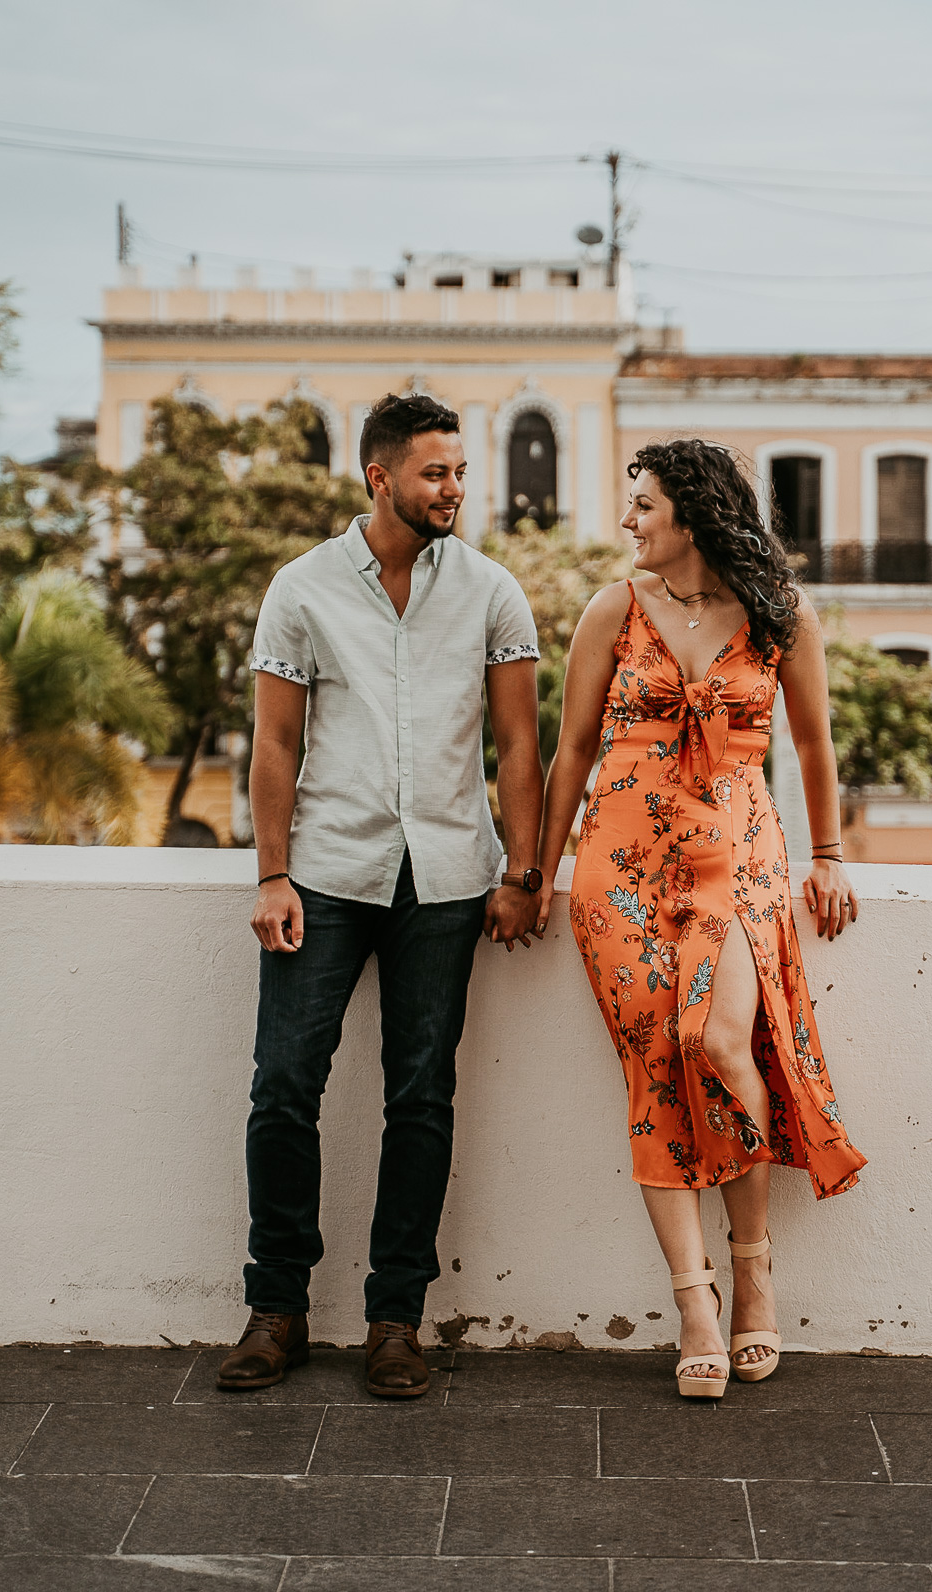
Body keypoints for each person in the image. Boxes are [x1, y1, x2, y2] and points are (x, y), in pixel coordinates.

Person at [217, 392, 545, 1398]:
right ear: (380, 476)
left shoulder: (492, 592)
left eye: (459, 473)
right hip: (324, 873)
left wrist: (524, 873)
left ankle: (395, 1321)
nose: (454, 490)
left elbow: (520, 747)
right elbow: (274, 744)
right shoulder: (303, 590)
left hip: (446, 881)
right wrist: (271, 872)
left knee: (422, 1096)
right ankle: (276, 1310)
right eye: (435, 473)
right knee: (282, 1087)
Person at [534, 439, 866, 1399]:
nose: (628, 521)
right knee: (651, 1067)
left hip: (736, 858)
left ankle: (753, 1268)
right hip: (620, 872)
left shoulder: (777, 614)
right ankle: (696, 1307)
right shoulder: (612, 609)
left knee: (722, 1043)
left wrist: (830, 855)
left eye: (642, 504)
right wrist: (535, 871)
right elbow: (569, 754)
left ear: (693, 514)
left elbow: (813, 743)